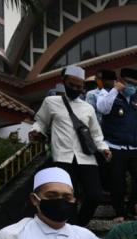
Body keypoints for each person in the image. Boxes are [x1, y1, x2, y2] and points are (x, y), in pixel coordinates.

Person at [28, 65, 110, 227]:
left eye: (79, 87)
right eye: (72, 85)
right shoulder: (51, 102)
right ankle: (71, 226)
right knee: (66, 197)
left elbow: (95, 133)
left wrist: (104, 148)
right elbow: (41, 123)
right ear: (64, 82)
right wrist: (36, 132)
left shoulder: (88, 107)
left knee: (95, 195)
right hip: (62, 158)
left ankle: (79, 225)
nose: (75, 89)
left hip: (87, 159)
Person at [97, 67, 137, 221]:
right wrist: (115, 90)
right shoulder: (107, 94)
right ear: (120, 81)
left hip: (134, 147)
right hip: (115, 145)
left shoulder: (136, 101)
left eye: (135, 84)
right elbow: (102, 108)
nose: (132, 87)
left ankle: (132, 207)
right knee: (117, 181)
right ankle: (119, 212)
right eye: (129, 83)